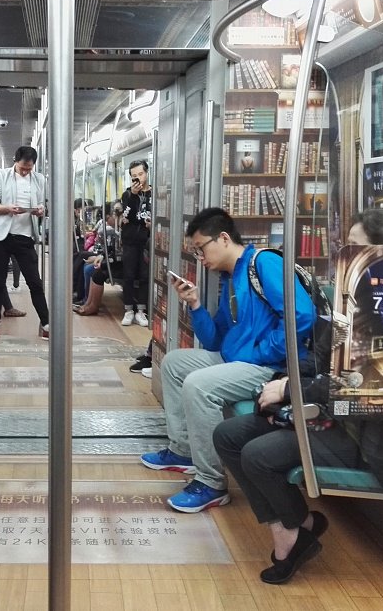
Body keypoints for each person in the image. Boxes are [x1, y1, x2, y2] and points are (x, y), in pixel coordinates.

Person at [212, 207, 383, 585]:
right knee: (228, 435)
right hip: (329, 412)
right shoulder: (354, 300)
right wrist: (279, 382)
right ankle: (296, 523)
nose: (345, 255)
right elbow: (319, 362)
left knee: (259, 455)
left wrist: (291, 389)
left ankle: (288, 536)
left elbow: (365, 384)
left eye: (355, 247)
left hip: (367, 432)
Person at [140, 207, 316, 513]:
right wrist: (194, 305)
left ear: (222, 238)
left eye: (201, 248)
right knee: (174, 364)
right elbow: (215, 341)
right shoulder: (231, 280)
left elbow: (302, 315)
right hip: (236, 360)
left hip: (268, 368)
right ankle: (183, 450)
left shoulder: (264, 263)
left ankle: (211, 483)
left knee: (198, 385)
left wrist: (261, 352)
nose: (200, 257)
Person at [0, 146, 49, 341]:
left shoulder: (39, 179)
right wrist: (7, 208)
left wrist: (40, 210)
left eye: (29, 169)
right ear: (15, 161)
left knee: (35, 283)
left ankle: (46, 324)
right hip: (2, 237)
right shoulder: (1, 176)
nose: (25, 172)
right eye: (22, 168)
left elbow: (43, 205)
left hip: (25, 237)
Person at [120, 160, 152, 327]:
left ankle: (141, 310)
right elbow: (127, 216)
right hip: (130, 241)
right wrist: (133, 196)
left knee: (145, 275)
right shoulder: (127, 195)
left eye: (141, 174)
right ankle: (128, 310)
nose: (138, 178)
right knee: (129, 275)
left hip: (147, 242)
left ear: (147, 173)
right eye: (134, 176)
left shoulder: (154, 194)